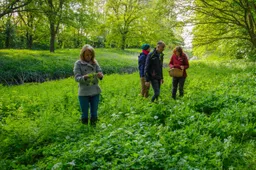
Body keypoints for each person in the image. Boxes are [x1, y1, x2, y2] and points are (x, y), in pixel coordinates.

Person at [73, 44, 103, 126]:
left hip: (95, 91)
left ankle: (93, 128)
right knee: (84, 113)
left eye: (90, 55)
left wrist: (100, 75)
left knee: (94, 112)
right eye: (87, 55)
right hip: (84, 92)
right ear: (83, 54)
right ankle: (85, 128)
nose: (89, 56)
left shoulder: (95, 62)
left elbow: (100, 72)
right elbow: (77, 78)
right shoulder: (78, 64)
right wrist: (84, 77)